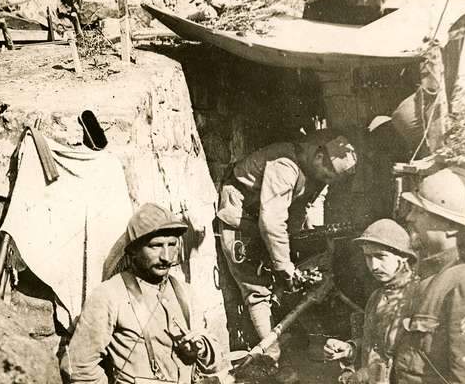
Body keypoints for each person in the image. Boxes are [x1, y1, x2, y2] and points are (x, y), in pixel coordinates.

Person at [216, 130, 357, 362]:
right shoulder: (285, 165)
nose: (326, 181)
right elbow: (271, 220)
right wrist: (284, 264)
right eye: (327, 175)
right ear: (320, 157)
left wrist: (299, 247)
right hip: (241, 219)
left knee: (301, 276)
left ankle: (309, 342)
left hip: (267, 222)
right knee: (257, 291)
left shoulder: (317, 171)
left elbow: (305, 208)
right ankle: (270, 359)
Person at [61, 203, 226, 384]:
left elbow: (216, 362)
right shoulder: (109, 295)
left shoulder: (184, 292)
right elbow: (78, 367)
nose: (166, 256)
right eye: (155, 246)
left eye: (171, 245)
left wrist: (201, 348)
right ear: (133, 251)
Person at [394, 167, 465, 384]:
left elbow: (462, 375)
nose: (409, 217)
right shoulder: (427, 276)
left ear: (452, 226)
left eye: (420, 211)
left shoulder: (461, 282)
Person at [323, 219, 418, 384]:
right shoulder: (376, 296)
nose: (373, 265)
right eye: (368, 256)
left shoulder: (419, 296)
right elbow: (376, 347)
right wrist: (350, 349)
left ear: (402, 257)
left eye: (380, 256)